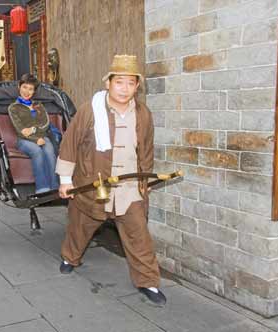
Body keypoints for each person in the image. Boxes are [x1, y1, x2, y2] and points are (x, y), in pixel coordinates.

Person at [56, 55, 166, 306]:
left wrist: (144, 183)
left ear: (137, 86)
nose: (125, 89)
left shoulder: (143, 114)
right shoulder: (90, 110)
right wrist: (65, 179)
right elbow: (70, 143)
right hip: (94, 184)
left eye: (130, 83)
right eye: (119, 82)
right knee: (80, 227)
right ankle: (69, 257)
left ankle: (148, 281)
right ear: (108, 83)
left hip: (128, 188)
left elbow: (146, 150)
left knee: (139, 235)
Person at [8, 74, 59, 194]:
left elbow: (45, 124)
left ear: (34, 91)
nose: (27, 91)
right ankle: (42, 188)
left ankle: (54, 187)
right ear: (19, 87)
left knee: (50, 151)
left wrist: (34, 130)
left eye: (30, 89)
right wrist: (35, 139)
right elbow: (20, 129)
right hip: (23, 140)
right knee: (37, 151)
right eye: (25, 87)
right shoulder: (13, 108)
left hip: (42, 136)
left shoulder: (38, 105)